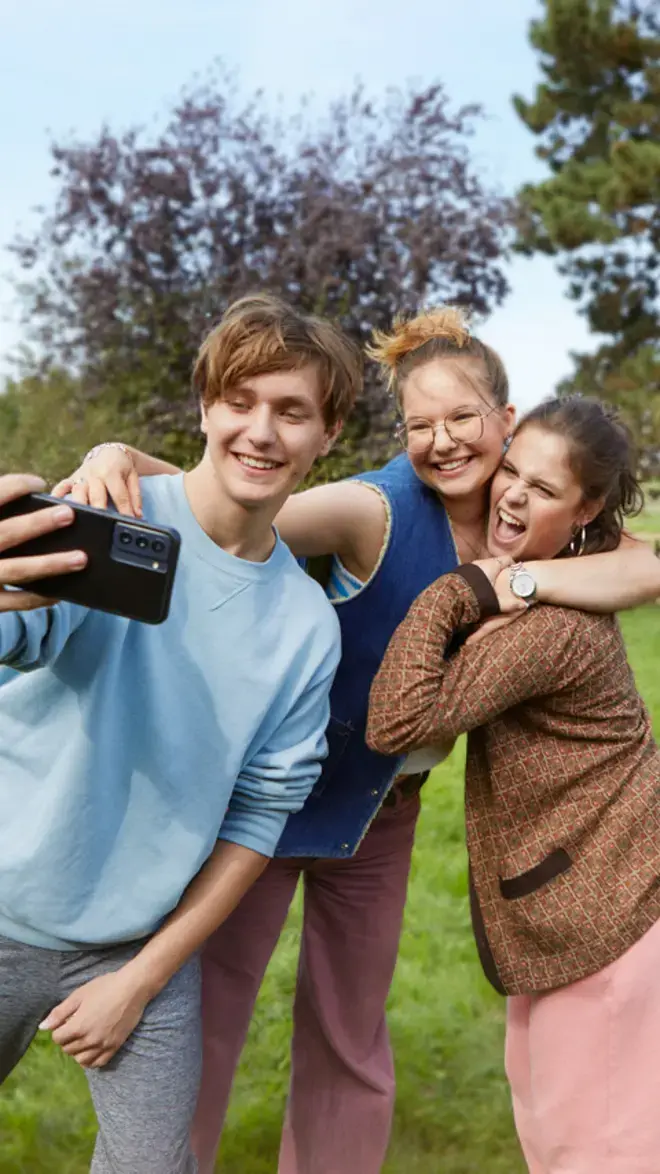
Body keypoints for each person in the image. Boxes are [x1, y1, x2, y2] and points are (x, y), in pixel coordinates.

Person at [59, 309, 660, 1174]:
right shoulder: (369, 508)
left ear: (508, 422)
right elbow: (232, 498)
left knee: (348, 1032)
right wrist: (123, 459)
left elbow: (644, 564)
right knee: (210, 1015)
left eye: (462, 419)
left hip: (383, 821)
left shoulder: (525, 520)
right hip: (273, 806)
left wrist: (522, 576)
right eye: (420, 425)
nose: (443, 441)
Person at [0, 293, 360, 1173]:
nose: (262, 431)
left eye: (292, 411)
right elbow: (17, 635)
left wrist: (139, 979)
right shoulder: (108, 515)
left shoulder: (307, 627)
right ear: (205, 406)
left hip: (134, 945)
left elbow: (255, 820)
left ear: (328, 437)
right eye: (241, 401)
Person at [367, 395, 660, 1174]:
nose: (514, 496)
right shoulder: (564, 582)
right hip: (579, 912)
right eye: (511, 472)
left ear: (587, 509)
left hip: (604, 919)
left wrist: (465, 588)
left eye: (546, 489)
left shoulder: (551, 625)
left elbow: (395, 722)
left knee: (597, 1149)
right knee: (556, 1133)